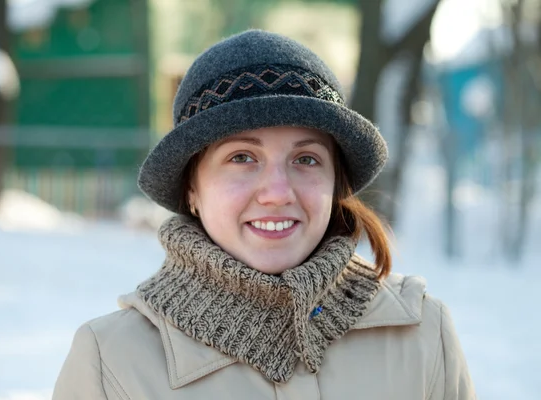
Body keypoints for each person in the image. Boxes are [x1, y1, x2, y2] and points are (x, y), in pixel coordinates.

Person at [52, 30, 476, 399]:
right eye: (242, 157)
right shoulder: (111, 363)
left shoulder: (423, 335)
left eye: (306, 159)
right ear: (192, 188)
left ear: (336, 182)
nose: (277, 193)